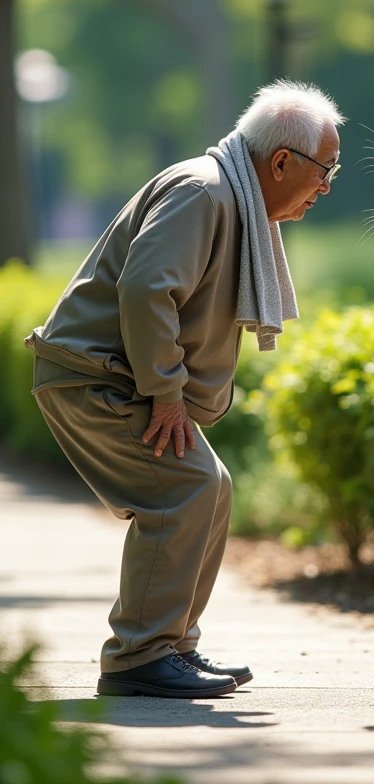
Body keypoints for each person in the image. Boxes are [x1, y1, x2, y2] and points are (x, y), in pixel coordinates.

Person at [26, 80, 344, 699]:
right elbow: (148, 290)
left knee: (211, 488)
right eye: (323, 171)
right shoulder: (205, 192)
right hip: (97, 379)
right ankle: (139, 656)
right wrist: (167, 392)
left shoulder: (227, 191)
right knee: (187, 489)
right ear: (281, 162)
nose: (325, 188)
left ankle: (168, 645)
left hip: (115, 377)